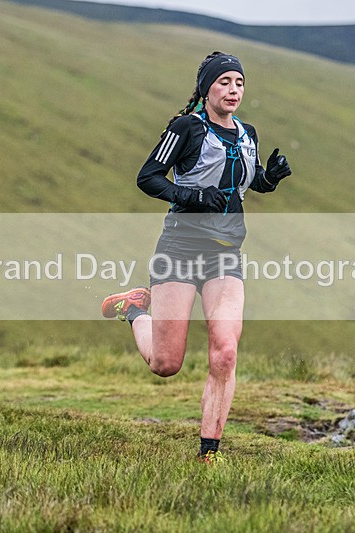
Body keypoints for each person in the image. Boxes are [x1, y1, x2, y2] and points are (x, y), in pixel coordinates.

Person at [101, 51, 292, 462]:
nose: (233, 90)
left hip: (226, 255)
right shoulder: (186, 128)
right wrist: (186, 195)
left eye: (239, 83)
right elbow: (148, 177)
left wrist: (269, 179)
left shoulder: (247, 132)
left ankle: (209, 452)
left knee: (225, 351)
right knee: (165, 364)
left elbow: (245, 180)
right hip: (180, 250)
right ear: (206, 87)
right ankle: (135, 311)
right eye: (224, 82)